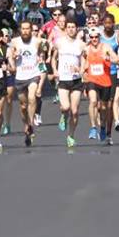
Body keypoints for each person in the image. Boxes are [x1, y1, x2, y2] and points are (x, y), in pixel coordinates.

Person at [8, 21, 45, 147]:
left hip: (33, 74)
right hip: (20, 76)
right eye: (23, 29)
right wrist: (14, 55)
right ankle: (27, 124)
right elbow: (10, 56)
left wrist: (41, 58)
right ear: (20, 30)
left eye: (27, 29)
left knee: (32, 97)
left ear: (31, 30)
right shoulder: (15, 42)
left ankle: (31, 125)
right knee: (23, 106)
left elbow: (41, 52)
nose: (25, 31)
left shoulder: (37, 41)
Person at [51, 19, 85, 148]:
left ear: (76, 29)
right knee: (65, 107)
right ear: (65, 29)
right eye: (69, 27)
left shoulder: (81, 45)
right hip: (63, 79)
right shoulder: (59, 43)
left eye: (73, 27)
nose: (71, 29)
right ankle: (64, 115)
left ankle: (71, 136)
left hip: (76, 80)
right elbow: (54, 58)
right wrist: (54, 70)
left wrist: (80, 70)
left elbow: (84, 62)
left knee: (75, 111)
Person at [84, 27, 119, 145]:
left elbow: (117, 59)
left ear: (99, 37)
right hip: (92, 80)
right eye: (92, 37)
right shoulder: (86, 49)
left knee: (104, 108)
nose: (94, 39)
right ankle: (93, 128)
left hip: (105, 81)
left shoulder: (106, 47)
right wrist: (82, 75)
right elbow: (83, 65)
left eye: (96, 37)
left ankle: (103, 127)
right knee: (93, 102)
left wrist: (109, 58)